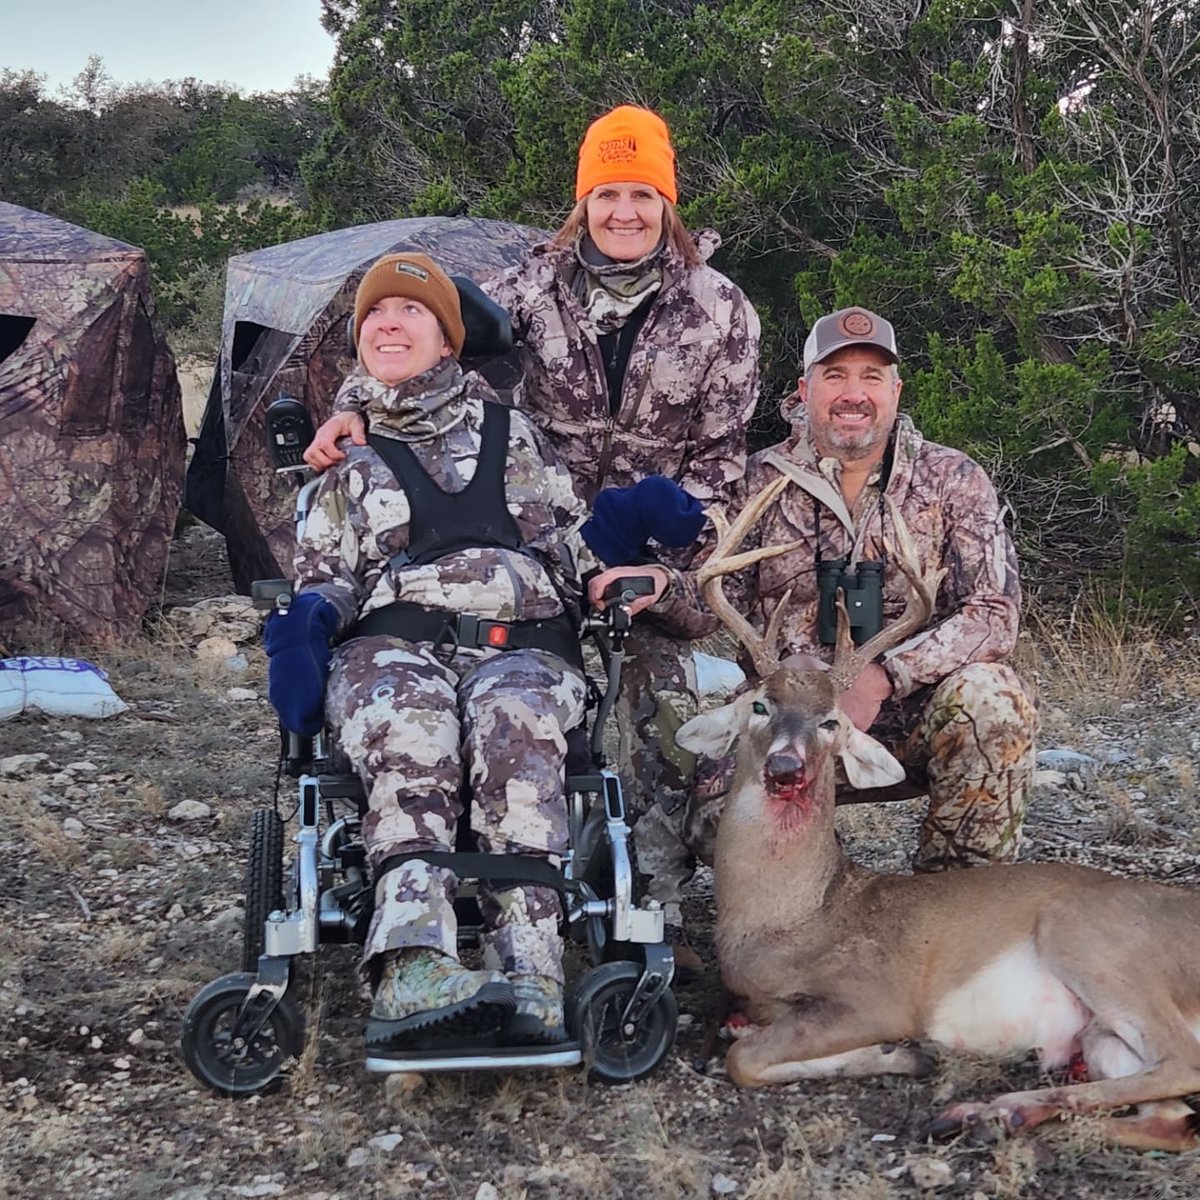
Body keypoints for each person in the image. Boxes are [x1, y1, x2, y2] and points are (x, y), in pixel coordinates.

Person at [304, 105, 761, 972]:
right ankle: (439, 906)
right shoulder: (523, 291)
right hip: (517, 540)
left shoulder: (723, 311)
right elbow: (419, 368)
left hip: (641, 559)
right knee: (443, 702)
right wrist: (352, 409)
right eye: (606, 193)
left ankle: (638, 907)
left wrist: (653, 569)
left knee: (673, 726)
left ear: (667, 203)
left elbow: (721, 466)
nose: (623, 212)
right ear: (582, 201)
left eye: (641, 194)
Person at [264, 251, 674, 1052]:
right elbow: (326, 576)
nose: (391, 322)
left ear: (448, 340)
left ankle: (530, 972)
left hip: (522, 643)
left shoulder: (515, 437)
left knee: (514, 726)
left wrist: (627, 576)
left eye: (412, 312)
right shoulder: (343, 459)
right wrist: (308, 620)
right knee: (412, 728)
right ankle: (413, 968)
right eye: (376, 313)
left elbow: (571, 548)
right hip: (394, 642)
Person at [676, 306, 1037, 871]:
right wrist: (653, 583)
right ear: (804, 389)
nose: (854, 393)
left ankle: (954, 912)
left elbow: (994, 614)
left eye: (872, 377)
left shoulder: (951, 478)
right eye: (836, 375)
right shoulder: (753, 481)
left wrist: (885, 677)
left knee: (993, 702)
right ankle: (832, 898)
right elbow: (702, 608)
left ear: (896, 390)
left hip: (913, 714)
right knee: (709, 818)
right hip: (788, 725)